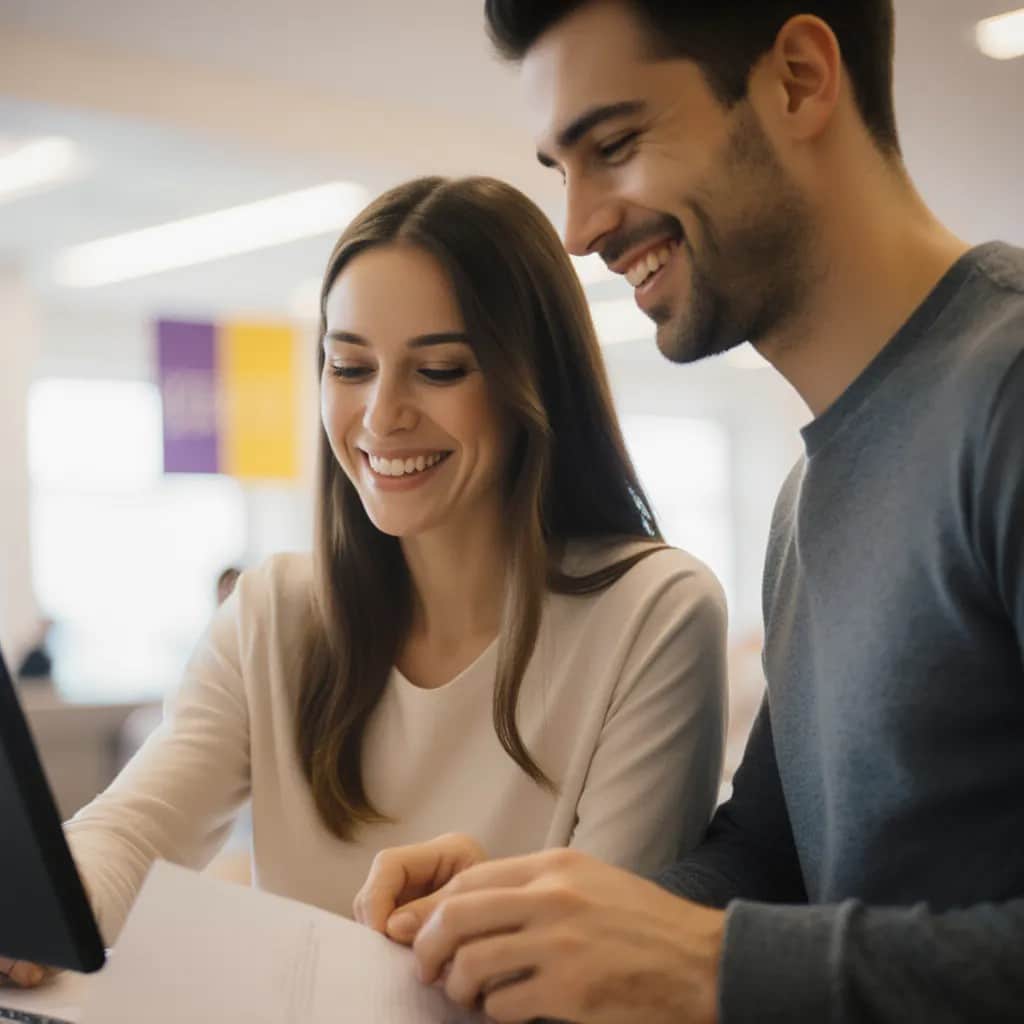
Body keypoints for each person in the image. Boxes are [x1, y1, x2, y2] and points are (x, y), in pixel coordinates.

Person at [352, 2, 1024, 1021]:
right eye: (560, 171)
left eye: (613, 145)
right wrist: (538, 915)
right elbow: (768, 855)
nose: (577, 229)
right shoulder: (809, 499)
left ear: (797, 78)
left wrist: (715, 962)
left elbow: (738, 941)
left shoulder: (1006, 394)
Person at [0, 175, 728, 989]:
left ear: (533, 381)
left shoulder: (655, 615)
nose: (382, 416)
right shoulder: (275, 614)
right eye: (349, 366)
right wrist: (38, 919)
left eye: (441, 369)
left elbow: (600, 973)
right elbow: (128, 834)